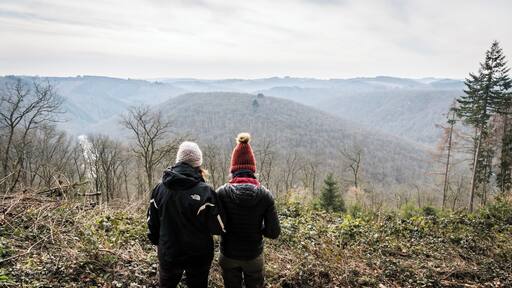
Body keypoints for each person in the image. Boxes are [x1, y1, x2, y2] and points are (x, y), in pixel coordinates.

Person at [147, 141, 225, 288]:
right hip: (198, 255)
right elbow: (218, 227)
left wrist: (160, 243)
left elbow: (152, 223)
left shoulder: (159, 189)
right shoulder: (205, 192)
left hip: (168, 252)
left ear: (178, 160)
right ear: (198, 164)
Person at [217, 133, 281, 288]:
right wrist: (258, 229)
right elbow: (274, 232)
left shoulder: (221, 193)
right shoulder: (265, 195)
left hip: (228, 255)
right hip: (253, 257)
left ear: (233, 168)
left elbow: (216, 227)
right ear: (253, 169)